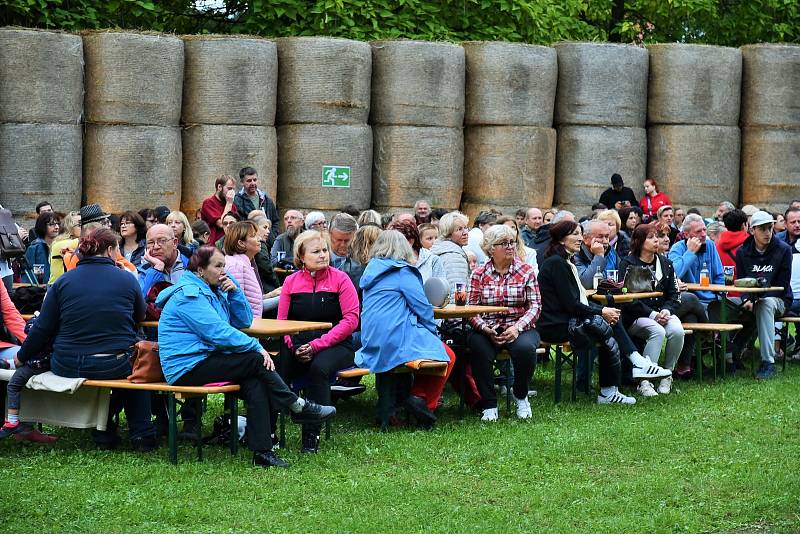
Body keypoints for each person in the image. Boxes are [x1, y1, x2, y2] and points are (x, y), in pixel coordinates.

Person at [156, 245, 335, 468]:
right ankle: (296, 405)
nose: (224, 272)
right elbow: (217, 333)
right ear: (200, 270)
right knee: (255, 359)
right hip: (185, 367)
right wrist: (256, 347)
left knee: (255, 382)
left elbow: (243, 321)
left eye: (225, 266)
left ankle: (263, 452)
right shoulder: (188, 296)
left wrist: (235, 292)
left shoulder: (213, 289)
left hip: (207, 359)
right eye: (218, 266)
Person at [17, 227, 157, 449]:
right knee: (134, 373)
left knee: (127, 370)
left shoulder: (63, 282)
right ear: (110, 250)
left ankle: (104, 430)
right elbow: (139, 316)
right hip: (114, 362)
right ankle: (142, 434)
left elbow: (42, 328)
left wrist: (21, 356)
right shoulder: (127, 279)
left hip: (67, 362)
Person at [356, 230, 455, 427]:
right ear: (404, 248)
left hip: (370, 338)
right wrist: (432, 334)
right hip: (397, 336)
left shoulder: (371, 271)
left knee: (418, 357)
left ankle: (401, 404)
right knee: (449, 355)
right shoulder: (403, 272)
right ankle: (423, 401)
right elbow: (423, 308)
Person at [537, 221, 637, 405]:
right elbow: (572, 305)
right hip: (554, 325)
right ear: (561, 239)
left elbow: (576, 302)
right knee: (605, 326)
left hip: (566, 320)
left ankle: (616, 383)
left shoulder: (565, 261)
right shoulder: (557, 264)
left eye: (580, 234)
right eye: (574, 234)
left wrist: (602, 310)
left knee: (607, 325)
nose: (580, 238)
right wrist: (601, 310)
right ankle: (619, 379)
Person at [278, 230, 359, 453]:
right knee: (279, 365)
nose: (323, 255)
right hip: (299, 342)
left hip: (336, 344)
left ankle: (312, 433)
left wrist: (316, 346)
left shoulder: (341, 279)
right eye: (316, 251)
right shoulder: (291, 282)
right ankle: (270, 430)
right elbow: (282, 322)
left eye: (325, 250)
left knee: (319, 367)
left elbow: (351, 320)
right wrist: (293, 345)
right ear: (301, 257)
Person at [467, 225, 542, 421]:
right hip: (488, 326)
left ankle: (520, 393)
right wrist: (485, 328)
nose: (510, 247)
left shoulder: (526, 270)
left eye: (512, 242)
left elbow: (535, 306)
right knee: (478, 347)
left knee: (525, 349)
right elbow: (471, 309)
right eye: (504, 243)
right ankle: (489, 404)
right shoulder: (479, 273)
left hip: (521, 325)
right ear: (491, 249)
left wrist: (517, 328)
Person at [619, 223, 684, 396]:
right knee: (657, 331)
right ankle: (644, 380)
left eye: (657, 236)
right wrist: (653, 314)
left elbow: (674, 294)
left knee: (677, 330)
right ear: (639, 241)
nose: (656, 240)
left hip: (662, 312)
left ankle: (667, 374)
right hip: (636, 316)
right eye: (650, 237)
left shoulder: (666, 263)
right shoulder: (628, 263)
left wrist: (667, 311)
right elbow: (627, 299)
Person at [732, 211, 792, 380]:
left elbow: (782, 286)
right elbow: (741, 281)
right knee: (724, 304)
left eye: (770, 228)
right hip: (751, 298)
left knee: (764, 304)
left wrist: (756, 299)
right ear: (752, 230)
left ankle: (768, 362)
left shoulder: (783, 250)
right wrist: (745, 299)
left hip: (779, 299)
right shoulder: (742, 252)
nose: (768, 233)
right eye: (763, 229)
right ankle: (728, 356)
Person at [0, 281, 57, 442]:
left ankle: (24, 426)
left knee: (33, 359)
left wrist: (31, 345)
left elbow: (10, 313)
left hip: (3, 346)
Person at [668, 214, 725, 307]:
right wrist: (690, 252)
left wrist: (719, 297)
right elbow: (674, 274)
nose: (703, 234)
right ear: (686, 234)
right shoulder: (677, 248)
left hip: (712, 299)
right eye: (698, 231)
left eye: (704, 230)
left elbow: (719, 275)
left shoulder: (710, 245)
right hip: (690, 301)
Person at [223, 221, 264, 318]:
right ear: (241, 243)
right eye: (254, 236)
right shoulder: (235, 266)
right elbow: (235, 303)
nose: (260, 239)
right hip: (243, 328)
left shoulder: (245, 263)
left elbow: (253, 301)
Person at [139, 224, 189, 298]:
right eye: (151, 242)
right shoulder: (143, 271)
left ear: (174, 243)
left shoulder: (191, 264)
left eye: (162, 241)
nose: (156, 247)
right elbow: (139, 300)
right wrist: (156, 270)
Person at [389, 219, 446, 284]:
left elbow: (441, 289)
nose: (434, 241)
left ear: (410, 241)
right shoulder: (389, 259)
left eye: (395, 241)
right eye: (430, 238)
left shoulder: (432, 260)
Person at [431, 211, 471, 287]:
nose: (465, 232)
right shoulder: (454, 257)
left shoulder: (442, 249)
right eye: (459, 229)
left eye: (465, 228)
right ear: (448, 234)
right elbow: (458, 290)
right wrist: (460, 299)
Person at [200, 175, 238, 246]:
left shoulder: (233, 206)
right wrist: (229, 203)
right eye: (229, 189)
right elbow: (222, 224)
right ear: (219, 187)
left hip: (230, 245)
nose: (232, 193)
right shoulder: (208, 203)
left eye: (233, 189)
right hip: (213, 247)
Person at [25, 211, 61, 284]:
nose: (57, 227)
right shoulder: (35, 247)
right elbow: (30, 274)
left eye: (58, 224)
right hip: (41, 289)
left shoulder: (61, 245)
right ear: (42, 226)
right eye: (51, 224)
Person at [574, 219, 612, 288]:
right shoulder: (576, 254)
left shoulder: (611, 252)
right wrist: (599, 256)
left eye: (607, 236)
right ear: (585, 238)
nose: (605, 241)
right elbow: (586, 283)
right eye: (600, 237)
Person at [48, 211, 81, 285]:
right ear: (69, 227)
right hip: (56, 287)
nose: (84, 227)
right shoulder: (60, 243)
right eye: (80, 224)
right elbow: (83, 241)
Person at [596, 209, 629, 278]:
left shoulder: (626, 243)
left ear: (617, 227)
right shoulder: (595, 243)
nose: (607, 227)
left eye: (610, 224)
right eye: (603, 224)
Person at [716, 209, 749, 278]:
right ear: (743, 225)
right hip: (745, 285)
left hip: (724, 285)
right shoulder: (750, 243)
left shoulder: (718, 244)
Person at [328, 213, 361, 278]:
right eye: (338, 240)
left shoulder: (361, 258)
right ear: (329, 234)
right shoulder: (318, 257)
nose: (343, 245)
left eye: (347, 241)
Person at [783, 207, 800, 315]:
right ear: (785, 224)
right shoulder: (777, 241)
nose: (797, 225)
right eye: (793, 222)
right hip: (784, 296)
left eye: (799, 221)